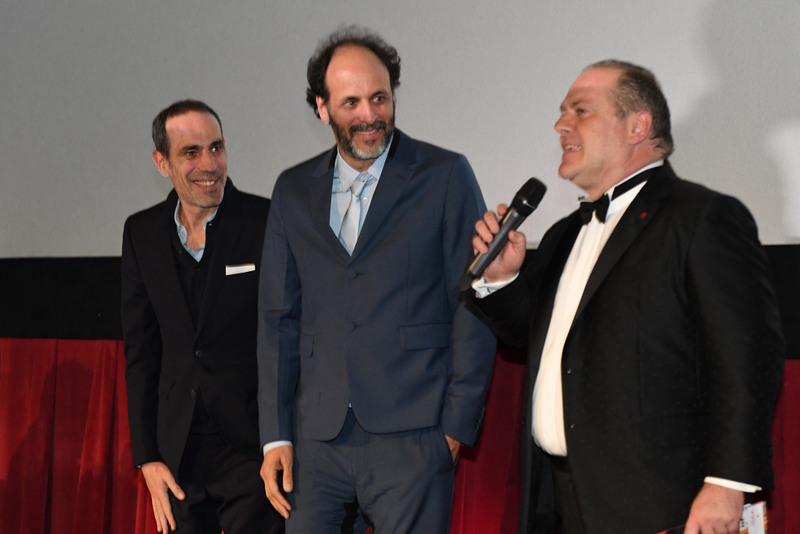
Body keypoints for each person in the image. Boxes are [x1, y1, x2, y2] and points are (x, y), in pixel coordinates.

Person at [469, 60, 784, 534]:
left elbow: (748, 356)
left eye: (581, 110)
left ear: (638, 126)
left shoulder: (701, 218)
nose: (561, 125)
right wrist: (501, 279)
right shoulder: (563, 234)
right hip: (560, 501)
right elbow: (529, 339)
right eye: (562, 112)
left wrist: (726, 484)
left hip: (660, 505)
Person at [256, 25, 496, 534]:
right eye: (351, 102)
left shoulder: (445, 175)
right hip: (315, 442)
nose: (370, 115)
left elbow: (473, 302)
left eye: (380, 98)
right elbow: (279, 318)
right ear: (322, 107)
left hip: (413, 437)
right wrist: (276, 435)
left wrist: (454, 429)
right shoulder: (293, 190)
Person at [122, 99, 283, 534]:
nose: (209, 164)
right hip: (177, 456)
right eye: (191, 152)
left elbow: (291, 337)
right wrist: (148, 457)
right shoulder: (141, 234)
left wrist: (281, 439)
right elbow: (141, 351)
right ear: (162, 163)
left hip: (253, 451)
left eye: (216, 148)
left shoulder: (267, 221)